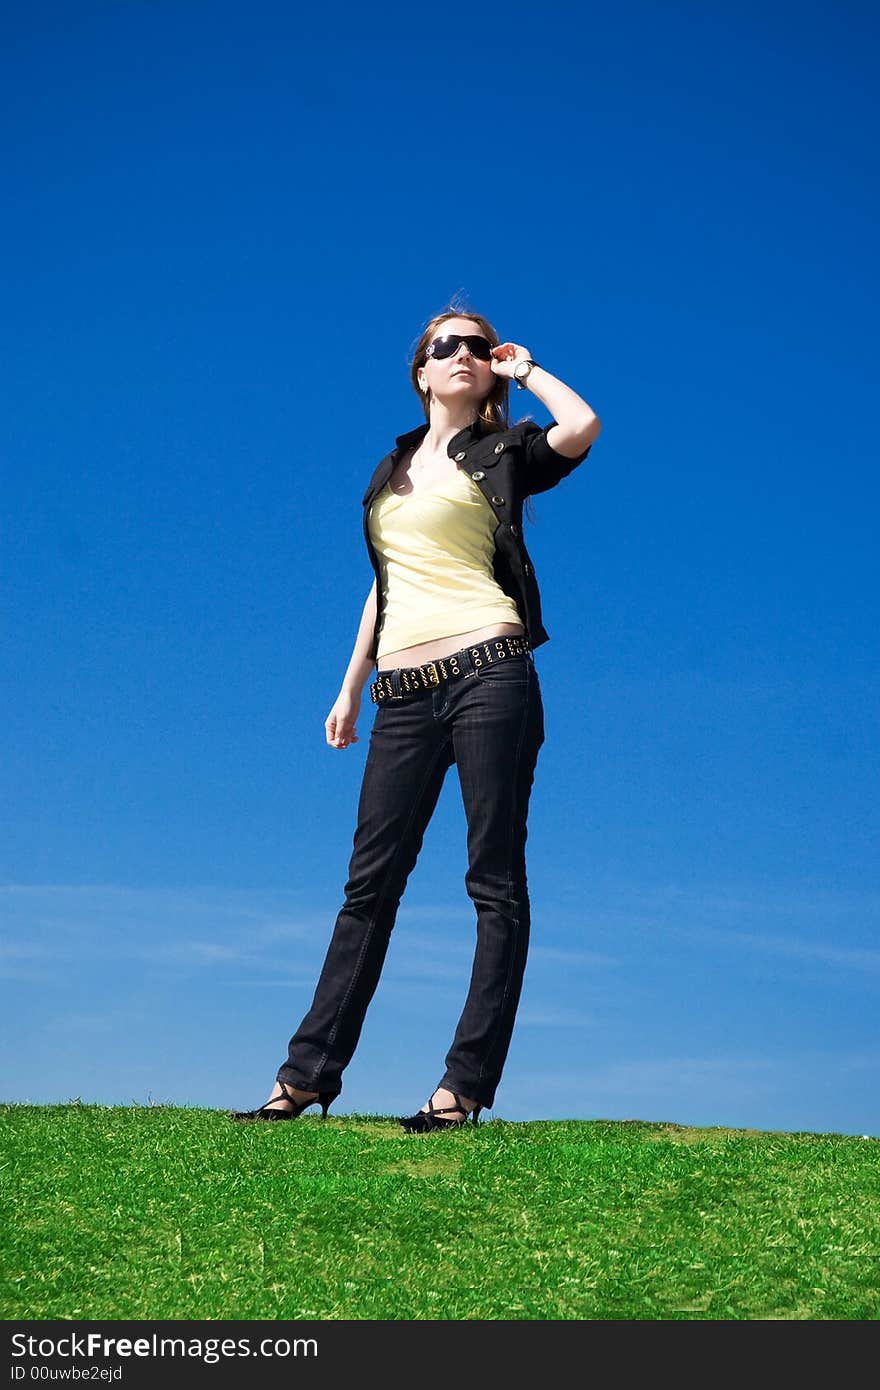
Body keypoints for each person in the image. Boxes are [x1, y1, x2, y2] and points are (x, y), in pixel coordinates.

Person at [230, 303, 601, 1131]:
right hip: (400, 694)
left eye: (477, 345)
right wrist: (349, 685)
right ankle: (304, 1078)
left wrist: (526, 369)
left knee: (493, 882)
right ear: (422, 373)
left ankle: (462, 1088)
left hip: (488, 676)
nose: (464, 353)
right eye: (447, 346)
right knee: (368, 886)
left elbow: (581, 426)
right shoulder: (390, 469)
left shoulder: (503, 451)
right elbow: (387, 584)